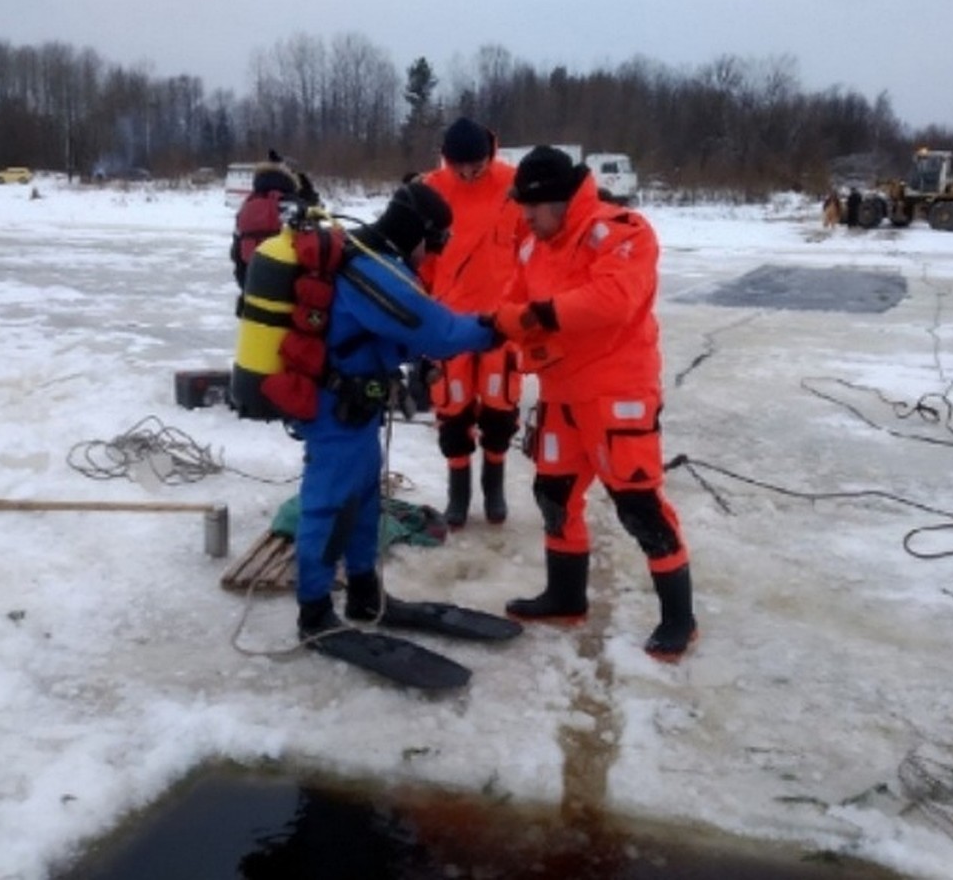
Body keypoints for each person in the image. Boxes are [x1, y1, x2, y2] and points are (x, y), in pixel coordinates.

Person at [493, 145, 698, 661]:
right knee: (554, 495)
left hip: (617, 395)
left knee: (639, 506)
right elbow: (513, 304)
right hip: (561, 394)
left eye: (533, 208)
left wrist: (536, 317)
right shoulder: (533, 246)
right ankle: (565, 596)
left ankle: (680, 618)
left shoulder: (623, 231)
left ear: (559, 200)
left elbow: (612, 300)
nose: (526, 218)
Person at [292, 181, 500, 640]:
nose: (435, 255)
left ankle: (364, 590)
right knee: (329, 506)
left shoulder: (374, 262)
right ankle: (314, 611)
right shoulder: (370, 270)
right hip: (334, 410)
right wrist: (494, 328)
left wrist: (415, 357)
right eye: (437, 243)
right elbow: (436, 329)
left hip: (357, 407)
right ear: (419, 234)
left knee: (364, 499)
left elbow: (393, 330)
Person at [416, 117, 527, 528]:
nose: (466, 173)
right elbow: (420, 259)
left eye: (474, 165)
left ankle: (493, 487)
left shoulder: (513, 186)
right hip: (448, 322)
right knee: (453, 407)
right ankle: (458, 493)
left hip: (502, 319)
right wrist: (420, 306)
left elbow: (531, 251)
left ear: (489, 155)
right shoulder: (431, 189)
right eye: (457, 165)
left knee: (500, 407)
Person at [230, 150, 318, 316]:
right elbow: (315, 246)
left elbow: (236, 254)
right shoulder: (293, 205)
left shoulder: (247, 206)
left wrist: (246, 289)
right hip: (290, 297)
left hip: (253, 293)